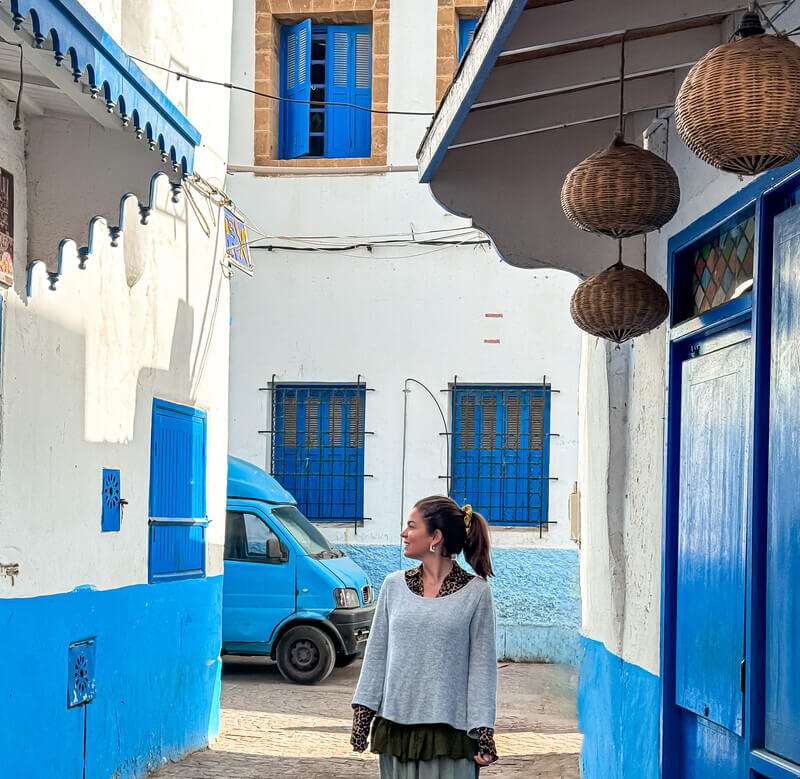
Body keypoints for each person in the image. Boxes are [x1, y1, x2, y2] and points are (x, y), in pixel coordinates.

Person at [350, 496, 498, 778]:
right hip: (396, 731)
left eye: (411, 526)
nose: (404, 534)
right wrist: (362, 716)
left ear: (436, 537)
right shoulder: (393, 586)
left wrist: (483, 732)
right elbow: (376, 656)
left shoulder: (476, 593)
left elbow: (482, 670)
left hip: (450, 737)